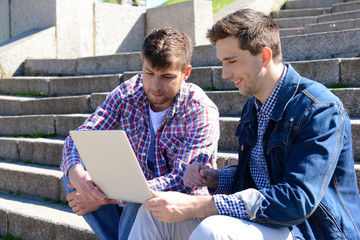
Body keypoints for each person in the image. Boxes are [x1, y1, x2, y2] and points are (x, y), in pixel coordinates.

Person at [127, 9, 360, 240]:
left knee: (214, 230)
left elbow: (297, 199)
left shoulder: (319, 109)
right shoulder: (253, 105)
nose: (225, 74)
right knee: (153, 214)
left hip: (307, 231)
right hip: (264, 223)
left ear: (264, 57)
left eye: (232, 61)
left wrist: (202, 205)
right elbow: (255, 176)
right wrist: (215, 178)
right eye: (221, 62)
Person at [60, 27, 220, 240]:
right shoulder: (129, 93)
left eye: (167, 77)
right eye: (149, 73)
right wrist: (76, 173)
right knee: (74, 176)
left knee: (140, 198)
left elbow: (183, 181)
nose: (155, 85)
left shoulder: (199, 110)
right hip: (134, 199)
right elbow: (80, 137)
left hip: (183, 214)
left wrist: (108, 196)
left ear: (186, 73)